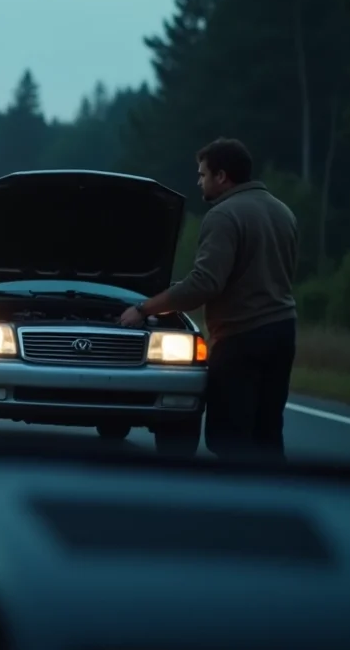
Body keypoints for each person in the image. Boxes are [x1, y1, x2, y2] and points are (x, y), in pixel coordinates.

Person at [119, 138, 299, 459]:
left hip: (241, 338)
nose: (198, 181)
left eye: (202, 174)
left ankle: (234, 503)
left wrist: (143, 308)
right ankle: (273, 501)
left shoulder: (224, 215)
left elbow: (205, 284)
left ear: (222, 176)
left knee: (228, 437)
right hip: (283, 331)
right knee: (268, 432)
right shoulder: (283, 212)